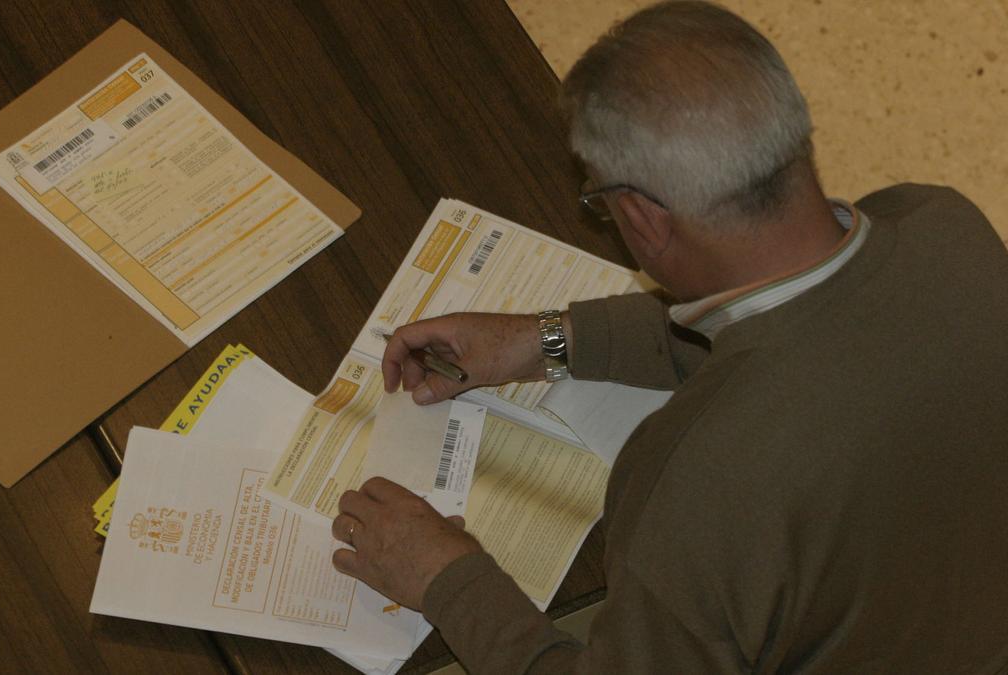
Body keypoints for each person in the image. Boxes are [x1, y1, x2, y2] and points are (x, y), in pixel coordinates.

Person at [330, 1, 1008, 671]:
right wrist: (544, 340)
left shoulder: (696, 489)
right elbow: (798, 320)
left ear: (642, 219)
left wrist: (448, 575)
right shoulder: (946, 225)